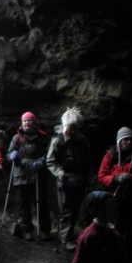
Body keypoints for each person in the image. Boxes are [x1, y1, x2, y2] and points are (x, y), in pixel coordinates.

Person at [97, 127, 132, 263]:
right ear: (119, 141)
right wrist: (116, 179)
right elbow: (102, 176)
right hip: (116, 197)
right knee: (117, 227)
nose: (129, 142)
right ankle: (115, 258)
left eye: (131, 140)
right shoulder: (110, 155)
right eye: (126, 139)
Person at [47, 106, 91, 252]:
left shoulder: (82, 141)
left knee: (75, 209)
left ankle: (69, 235)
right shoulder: (58, 141)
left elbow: (87, 159)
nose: (71, 130)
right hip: (65, 180)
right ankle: (65, 239)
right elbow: (51, 161)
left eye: (74, 128)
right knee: (66, 210)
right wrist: (59, 173)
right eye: (69, 127)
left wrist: (86, 176)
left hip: (79, 180)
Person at [6, 111, 51, 240]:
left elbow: (48, 154)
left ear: (34, 122)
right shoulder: (17, 138)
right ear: (22, 123)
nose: (26, 123)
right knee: (23, 203)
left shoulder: (42, 137)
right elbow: (8, 154)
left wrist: (41, 161)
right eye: (24, 120)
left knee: (41, 202)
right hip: (21, 174)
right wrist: (12, 155)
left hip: (37, 174)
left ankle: (45, 230)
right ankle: (27, 229)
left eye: (29, 120)